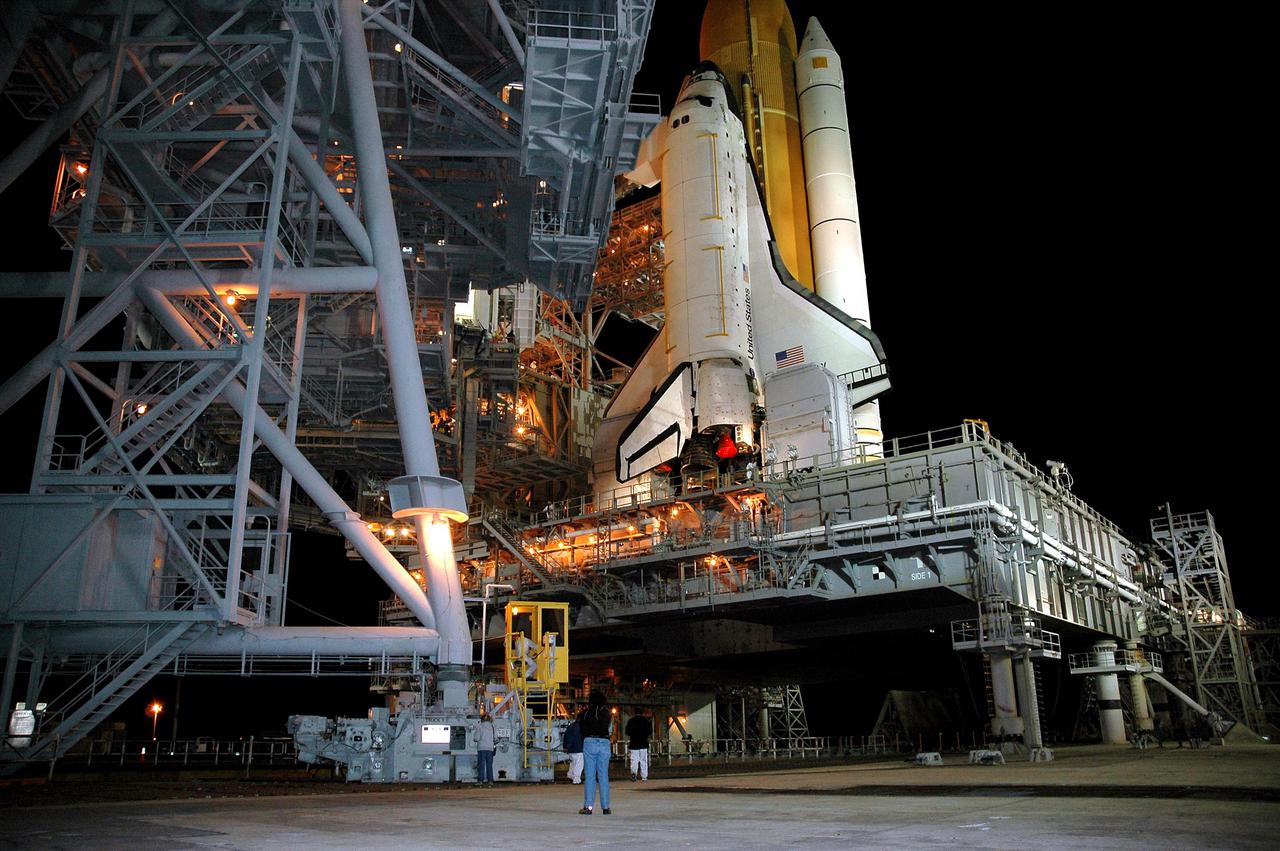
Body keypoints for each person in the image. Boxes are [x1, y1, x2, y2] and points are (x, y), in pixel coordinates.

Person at [578, 689, 613, 815]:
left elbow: (582, 728)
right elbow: (610, 728)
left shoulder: (586, 713)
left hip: (590, 742)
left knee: (590, 776)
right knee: (603, 776)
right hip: (604, 742)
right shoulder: (606, 713)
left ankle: (588, 807)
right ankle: (606, 807)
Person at [625, 707, 652, 781]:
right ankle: (644, 776)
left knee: (634, 760)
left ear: (634, 713)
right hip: (643, 743)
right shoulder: (645, 721)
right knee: (643, 760)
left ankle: (634, 774)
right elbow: (650, 731)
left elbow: (627, 732)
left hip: (634, 743)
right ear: (642, 713)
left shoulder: (631, 721)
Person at [476, 709, 496, 787]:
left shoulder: (480, 726)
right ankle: (490, 781)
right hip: (490, 748)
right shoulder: (492, 727)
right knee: (489, 765)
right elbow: (495, 738)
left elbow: (476, 738)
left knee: (481, 765)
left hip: (481, 748)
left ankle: (480, 781)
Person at [563, 716, 584, 784]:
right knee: (579, 764)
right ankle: (576, 780)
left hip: (570, 750)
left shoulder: (570, 726)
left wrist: (566, 747)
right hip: (578, 749)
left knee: (573, 763)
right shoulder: (581, 727)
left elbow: (565, 737)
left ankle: (570, 775)